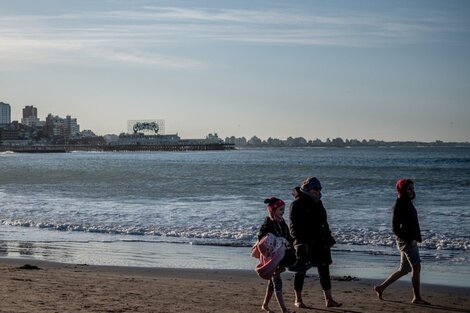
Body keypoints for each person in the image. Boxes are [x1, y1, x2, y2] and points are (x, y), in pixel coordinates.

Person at [374, 179, 430, 305]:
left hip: (409, 240)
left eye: (412, 188)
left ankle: (381, 287)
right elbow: (394, 228)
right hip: (406, 242)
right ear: (402, 189)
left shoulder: (407, 201)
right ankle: (417, 298)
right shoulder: (399, 203)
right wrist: (409, 240)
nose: (411, 191)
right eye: (409, 188)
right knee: (416, 267)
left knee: (404, 269)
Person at [288, 177, 342, 308]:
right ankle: (298, 300)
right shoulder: (296, 204)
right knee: (301, 271)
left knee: (324, 270)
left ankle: (329, 300)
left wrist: (328, 236)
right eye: (315, 189)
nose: (318, 191)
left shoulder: (318, 202)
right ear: (307, 189)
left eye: (319, 188)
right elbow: (293, 227)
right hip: (305, 243)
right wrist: (299, 243)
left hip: (321, 241)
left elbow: (324, 222)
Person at [257, 197, 296, 313]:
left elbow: (288, 236)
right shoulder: (268, 222)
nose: (282, 212)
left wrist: (291, 244)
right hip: (271, 255)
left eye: (283, 210)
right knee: (277, 281)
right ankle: (284, 309)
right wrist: (273, 241)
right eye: (280, 210)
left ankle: (265, 305)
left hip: (280, 254)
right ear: (272, 210)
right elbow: (261, 238)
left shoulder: (282, 222)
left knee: (272, 281)